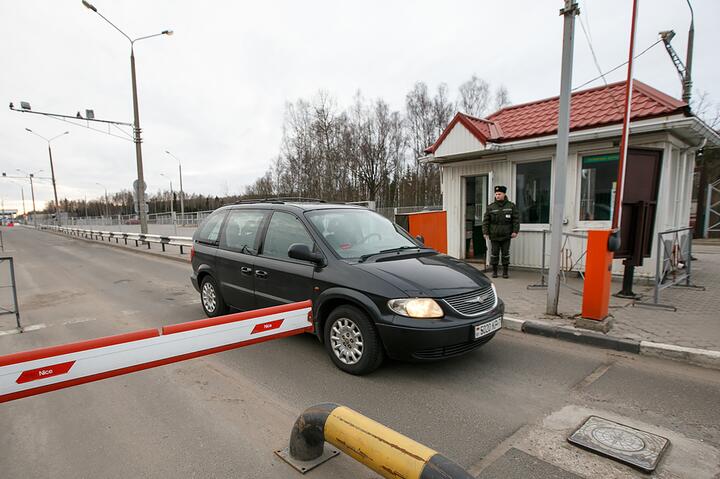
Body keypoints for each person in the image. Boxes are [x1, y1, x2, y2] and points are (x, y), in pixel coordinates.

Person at [482, 185, 520, 278]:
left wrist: (515, 231)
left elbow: (516, 220)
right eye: (496, 194)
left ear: (504, 194)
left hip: (506, 235)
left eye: (499, 194)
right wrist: (485, 232)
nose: (497, 196)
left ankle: (505, 272)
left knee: (505, 254)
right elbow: (486, 221)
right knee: (494, 253)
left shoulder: (511, 206)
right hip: (494, 235)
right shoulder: (491, 207)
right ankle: (494, 272)